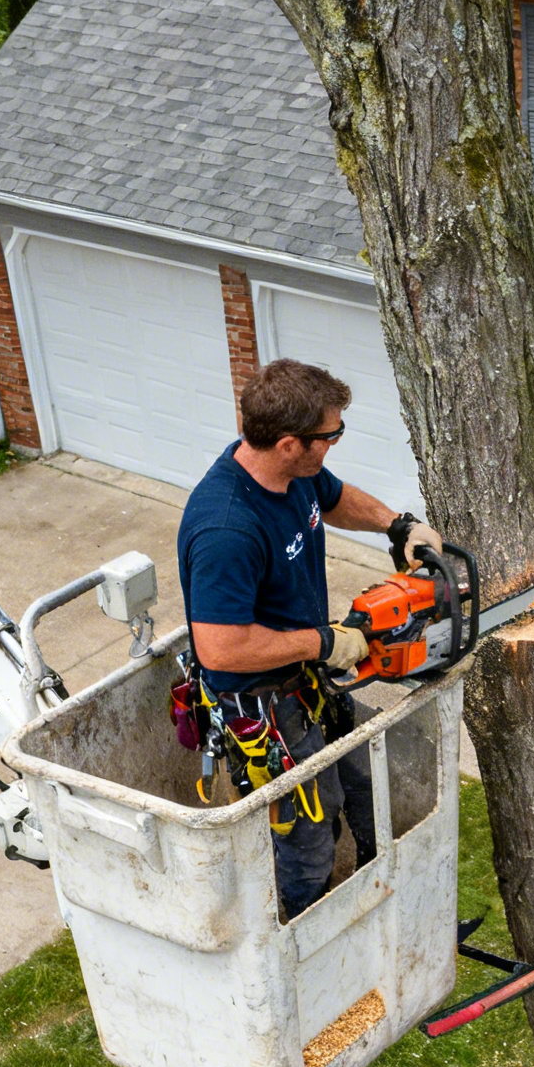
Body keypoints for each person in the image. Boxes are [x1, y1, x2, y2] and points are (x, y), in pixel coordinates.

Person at [176, 359, 442, 916]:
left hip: (306, 684)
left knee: (374, 791)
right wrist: (325, 642)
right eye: (331, 436)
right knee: (308, 849)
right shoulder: (226, 527)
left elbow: (333, 495)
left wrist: (399, 526)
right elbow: (221, 649)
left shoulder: (291, 474)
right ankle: (297, 945)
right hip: (260, 707)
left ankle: (383, 915)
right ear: (291, 443)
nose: (336, 443)